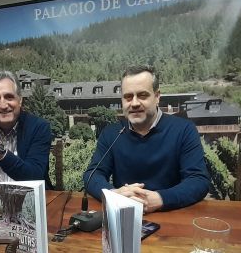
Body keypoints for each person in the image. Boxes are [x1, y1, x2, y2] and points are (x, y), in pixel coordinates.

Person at [83, 65, 210, 212]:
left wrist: (160, 199)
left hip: (171, 215)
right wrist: (114, 194)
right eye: (128, 97)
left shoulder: (184, 130)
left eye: (142, 95)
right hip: (124, 214)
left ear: (157, 97)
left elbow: (198, 180)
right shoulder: (111, 133)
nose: (135, 103)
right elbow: (92, 175)